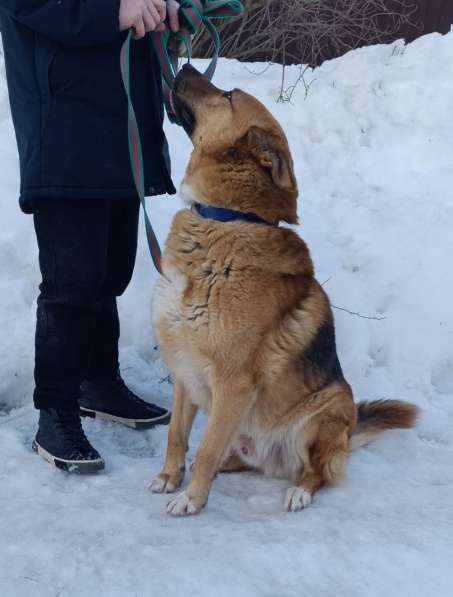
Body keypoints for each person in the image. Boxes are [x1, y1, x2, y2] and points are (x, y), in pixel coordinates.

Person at [0, 0, 180, 473]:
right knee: (71, 281)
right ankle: (55, 410)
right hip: (62, 122)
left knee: (111, 269)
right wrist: (112, 12)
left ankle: (99, 382)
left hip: (120, 119)